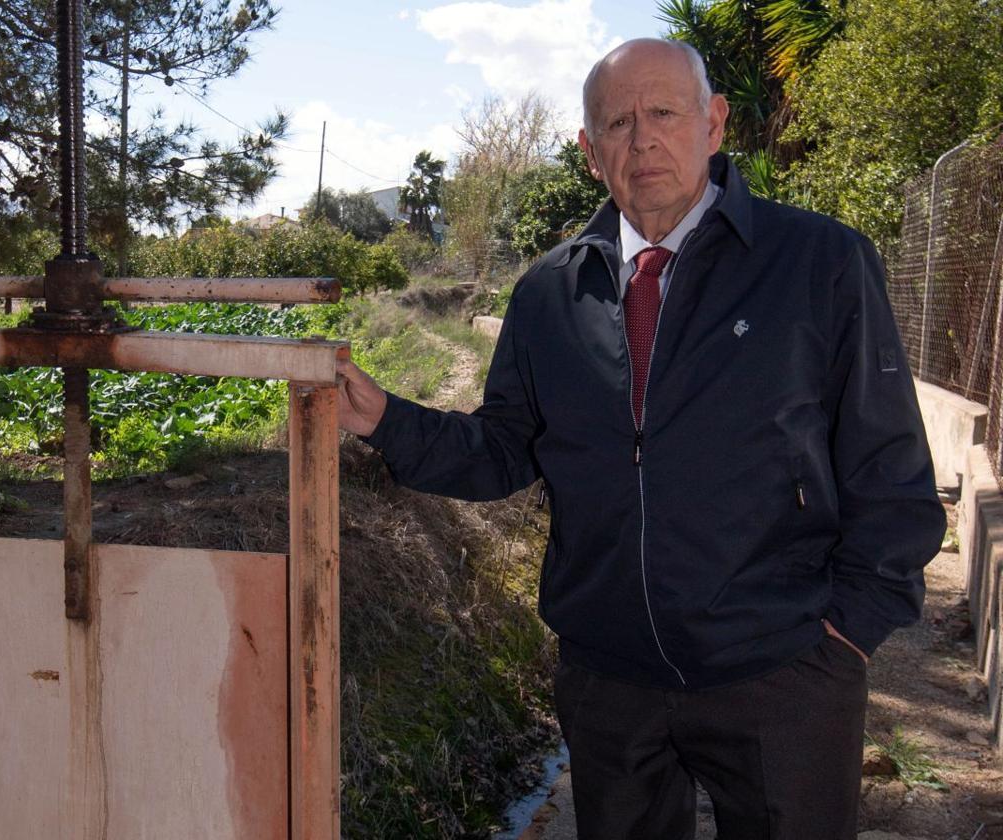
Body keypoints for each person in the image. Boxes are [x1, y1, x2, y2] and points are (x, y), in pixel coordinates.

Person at [337, 38, 945, 840]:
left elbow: (889, 467)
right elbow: (505, 450)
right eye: (618, 123)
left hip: (784, 671)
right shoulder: (551, 291)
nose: (643, 138)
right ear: (590, 154)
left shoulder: (820, 262)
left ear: (713, 123)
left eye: (664, 112)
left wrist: (844, 636)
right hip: (610, 682)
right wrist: (384, 418)